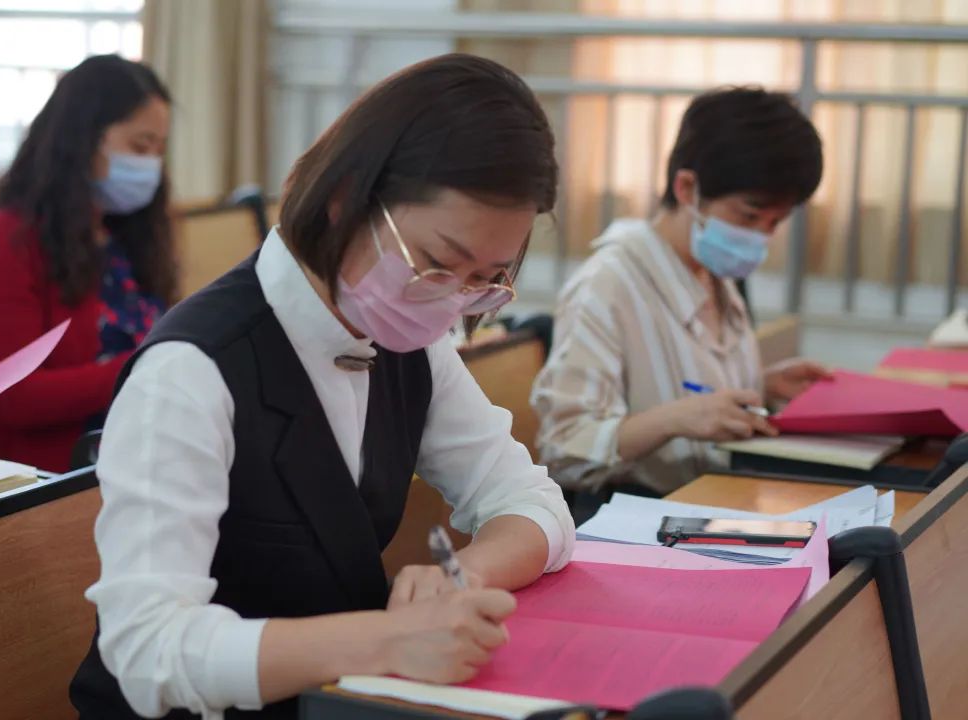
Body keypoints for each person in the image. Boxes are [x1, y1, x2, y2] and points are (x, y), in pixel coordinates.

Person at [68, 54, 575, 719]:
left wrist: (463, 577)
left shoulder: (408, 336)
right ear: (345, 200)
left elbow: (532, 501)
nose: (451, 300)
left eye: (484, 279)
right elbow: (147, 650)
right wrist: (386, 639)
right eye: (437, 263)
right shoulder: (191, 371)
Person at [532, 87, 827, 499]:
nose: (760, 237)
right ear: (688, 188)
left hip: (718, 500)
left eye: (775, 223)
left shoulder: (715, 276)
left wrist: (762, 386)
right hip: (642, 512)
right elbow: (564, 450)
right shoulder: (608, 284)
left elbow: (689, 390)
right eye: (749, 215)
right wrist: (673, 420)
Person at [0, 54, 175, 472]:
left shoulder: (122, 234)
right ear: (82, 140)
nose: (151, 164)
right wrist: (148, 368)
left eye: (159, 150)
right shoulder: (5, 240)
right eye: (139, 146)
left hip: (137, 452)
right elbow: (17, 399)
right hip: (49, 477)